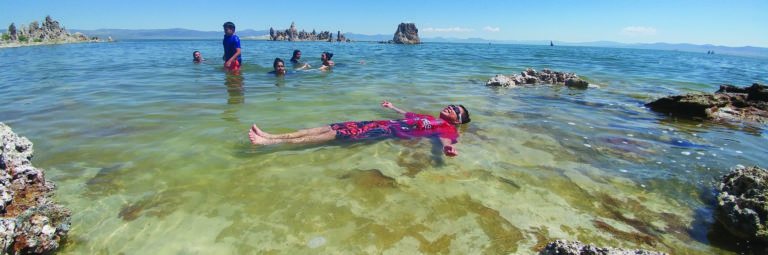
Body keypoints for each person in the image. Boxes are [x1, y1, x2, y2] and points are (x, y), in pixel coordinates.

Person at [248, 100, 471, 157]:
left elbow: (446, 140)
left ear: (458, 121)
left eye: (455, 110)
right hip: (377, 123)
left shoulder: (449, 129)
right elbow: (406, 114)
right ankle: (272, 135)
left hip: (385, 132)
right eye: (451, 105)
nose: (449, 107)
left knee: (334, 135)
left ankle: (270, 143)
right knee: (330, 126)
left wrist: (445, 150)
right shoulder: (428, 117)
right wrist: (392, 106)